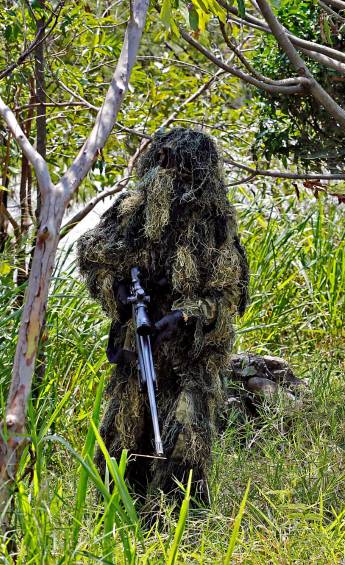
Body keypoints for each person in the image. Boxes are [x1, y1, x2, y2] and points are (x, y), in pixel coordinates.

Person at [76, 128, 249, 511]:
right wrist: (116, 289)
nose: (170, 175)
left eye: (180, 167)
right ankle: (121, 523)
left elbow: (228, 296)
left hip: (189, 359)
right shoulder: (130, 213)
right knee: (123, 446)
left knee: (185, 448)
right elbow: (91, 253)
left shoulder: (214, 224)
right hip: (136, 350)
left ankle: (182, 532)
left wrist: (187, 315)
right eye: (164, 163)